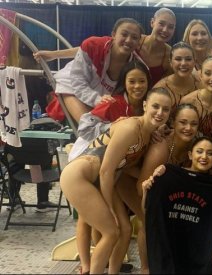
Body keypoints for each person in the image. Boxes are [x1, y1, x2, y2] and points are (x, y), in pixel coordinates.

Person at [59, 87, 172, 274]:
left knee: (125, 229)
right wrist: (110, 206)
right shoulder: (130, 128)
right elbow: (106, 171)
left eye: (166, 109)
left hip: (100, 179)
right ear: (145, 105)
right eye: (156, 106)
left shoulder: (147, 134)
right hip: (79, 178)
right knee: (111, 232)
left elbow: (125, 166)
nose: (160, 113)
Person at [68, 59, 151, 275]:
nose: (137, 86)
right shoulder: (113, 103)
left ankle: (106, 266)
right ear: (124, 82)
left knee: (118, 228)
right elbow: (85, 127)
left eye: (142, 81)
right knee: (92, 221)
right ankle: (87, 266)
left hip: (113, 169)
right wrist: (113, 127)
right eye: (132, 81)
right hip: (89, 159)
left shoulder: (144, 110)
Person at [143, 136, 212, 274]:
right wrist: (146, 190)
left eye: (210, 153)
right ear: (190, 155)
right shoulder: (167, 175)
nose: (204, 156)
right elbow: (147, 211)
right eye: (199, 151)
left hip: (199, 244)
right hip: (170, 240)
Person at [34, 9, 176, 88]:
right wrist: (53, 55)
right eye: (161, 24)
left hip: (138, 98)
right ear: (152, 22)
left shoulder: (169, 55)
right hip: (110, 89)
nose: (165, 30)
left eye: (171, 27)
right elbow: (91, 49)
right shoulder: (133, 39)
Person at [47, 18, 145, 122]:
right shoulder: (92, 45)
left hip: (104, 98)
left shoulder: (137, 65)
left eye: (134, 37)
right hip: (72, 86)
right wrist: (53, 54)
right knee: (88, 127)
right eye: (124, 34)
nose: (129, 40)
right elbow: (77, 81)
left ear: (139, 42)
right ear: (113, 35)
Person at [153, 42, 200, 110]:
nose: (183, 63)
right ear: (171, 62)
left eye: (188, 59)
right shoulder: (160, 88)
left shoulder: (201, 84)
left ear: (194, 62)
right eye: (178, 59)